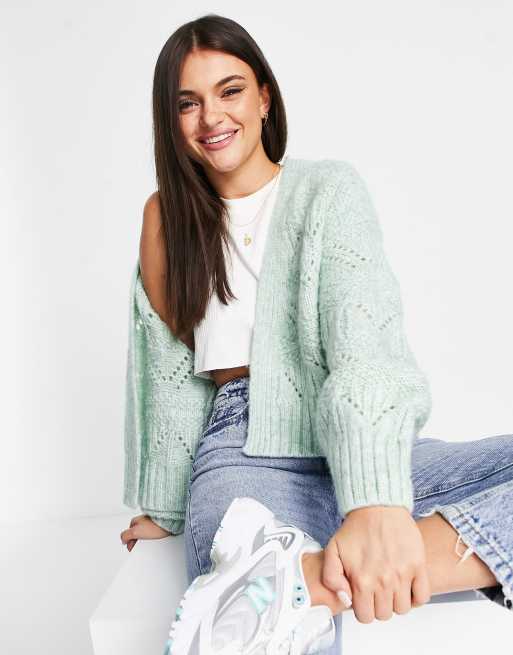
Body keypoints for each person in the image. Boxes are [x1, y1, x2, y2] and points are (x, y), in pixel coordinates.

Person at [119, 12, 513, 654]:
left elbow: (366, 348)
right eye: (187, 103)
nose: (211, 116)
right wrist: (164, 509)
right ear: (171, 119)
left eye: (229, 90)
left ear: (264, 97)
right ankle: (301, 580)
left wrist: (375, 501)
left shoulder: (326, 191)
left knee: (265, 606)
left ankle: (302, 583)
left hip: (348, 440)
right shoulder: (166, 218)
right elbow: (170, 374)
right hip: (243, 451)